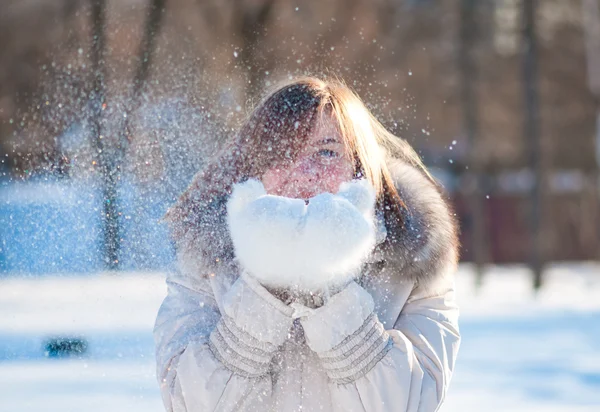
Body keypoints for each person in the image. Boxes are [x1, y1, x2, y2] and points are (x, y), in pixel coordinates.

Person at [153, 76, 460, 412]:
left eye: (327, 152)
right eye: (282, 152)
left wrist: (328, 288)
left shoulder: (413, 265)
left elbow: (410, 404)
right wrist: (268, 284)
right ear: (254, 170)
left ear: (359, 167)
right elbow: (191, 403)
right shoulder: (207, 266)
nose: (304, 173)